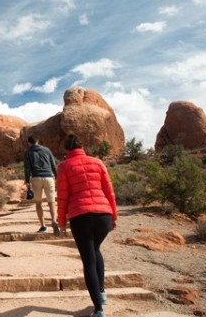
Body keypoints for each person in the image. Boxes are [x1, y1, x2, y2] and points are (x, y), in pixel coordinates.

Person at [56, 134, 118, 317]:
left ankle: (98, 309)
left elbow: (62, 197)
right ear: (82, 146)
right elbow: (109, 191)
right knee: (96, 250)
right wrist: (113, 216)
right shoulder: (97, 162)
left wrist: (61, 222)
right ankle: (102, 292)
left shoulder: (64, 166)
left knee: (88, 260)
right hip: (103, 215)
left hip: (80, 216)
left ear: (66, 149)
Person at [23, 135, 59, 235]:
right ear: (38, 141)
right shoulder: (47, 150)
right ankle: (54, 221)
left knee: (38, 203)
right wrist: (57, 177)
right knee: (51, 202)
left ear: (29, 143)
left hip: (36, 178)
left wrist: (27, 182)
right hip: (48, 177)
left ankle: (43, 226)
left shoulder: (28, 152)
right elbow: (53, 165)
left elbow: (27, 169)